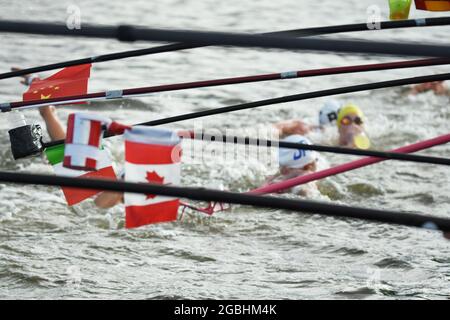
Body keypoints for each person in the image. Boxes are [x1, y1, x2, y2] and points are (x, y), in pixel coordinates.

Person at [15, 67, 122, 209]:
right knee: (91, 190)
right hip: (101, 190)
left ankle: (43, 99)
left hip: (102, 192)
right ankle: (42, 94)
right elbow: (99, 205)